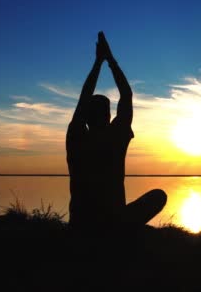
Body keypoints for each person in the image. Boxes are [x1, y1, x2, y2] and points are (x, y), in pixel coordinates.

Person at [66, 31, 167, 231]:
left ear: (85, 117)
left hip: (80, 224)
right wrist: (110, 60)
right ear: (109, 117)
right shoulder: (116, 136)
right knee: (159, 196)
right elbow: (127, 94)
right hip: (114, 224)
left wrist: (97, 63)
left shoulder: (76, 136)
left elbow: (84, 97)